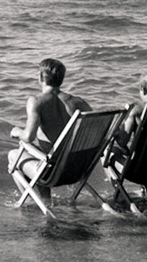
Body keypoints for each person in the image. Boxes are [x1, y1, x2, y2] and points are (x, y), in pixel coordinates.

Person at [7, 59, 92, 189]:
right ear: (61, 79)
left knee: (13, 155)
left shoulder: (36, 101)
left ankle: (34, 201)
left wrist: (17, 132)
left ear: (40, 77)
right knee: (42, 156)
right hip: (77, 171)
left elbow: (29, 137)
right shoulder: (79, 102)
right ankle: (44, 200)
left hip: (52, 174)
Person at [111, 70, 147, 156]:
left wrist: (115, 128)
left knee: (113, 150)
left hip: (140, 166)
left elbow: (122, 141)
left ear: (143, 90)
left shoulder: (136, 109)